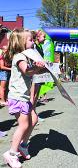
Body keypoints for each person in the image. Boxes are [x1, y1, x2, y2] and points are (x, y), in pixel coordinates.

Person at [3, 28, 47, 168]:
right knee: (24, 125)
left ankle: (23, 145)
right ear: (21, 42)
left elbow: (30, 71)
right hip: (17, 97)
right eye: (29, 39)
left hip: (24, 97)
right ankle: (11, 153)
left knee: (33, 120)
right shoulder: (20, 56)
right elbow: (27, 71)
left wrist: (42, 68)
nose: (33, 41)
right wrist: (37, 68)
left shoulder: (26, 56)